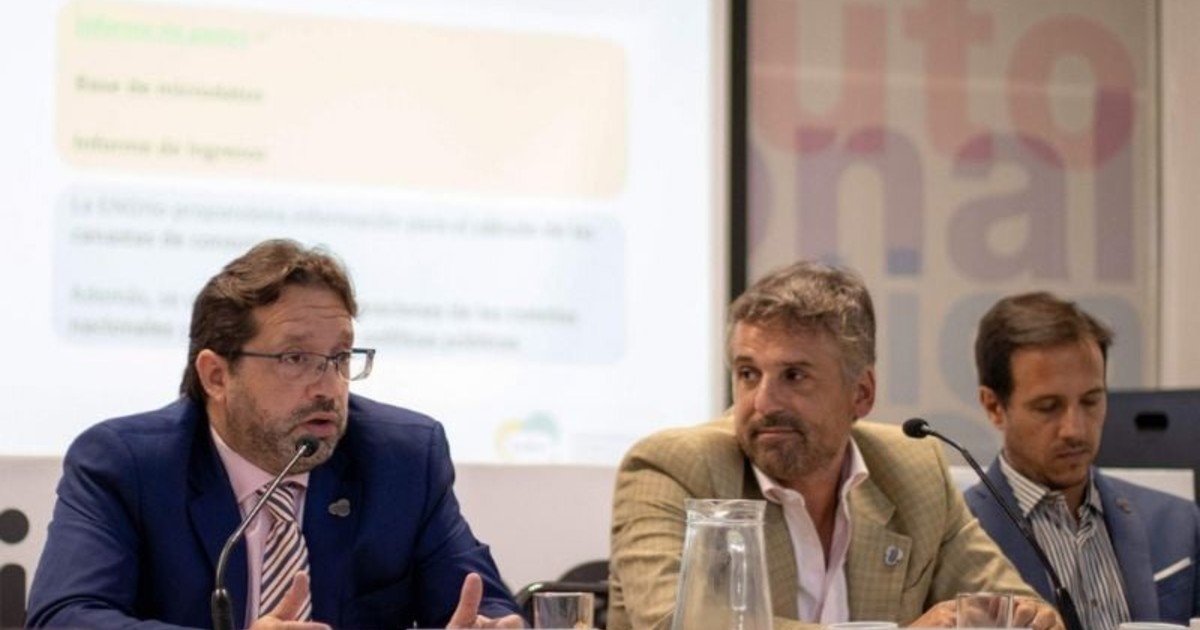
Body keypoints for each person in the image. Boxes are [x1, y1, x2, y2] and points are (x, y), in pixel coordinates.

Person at [27, 239, 524, 630]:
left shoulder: (403, 458)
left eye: (340, 357)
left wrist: (492, 624)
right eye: (294, 358)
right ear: (216, 376)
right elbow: (65, 617)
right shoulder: (125, 466)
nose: (328, 386)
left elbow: (481, 602)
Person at [607, 261, 1062, 630]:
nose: (763, 402)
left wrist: (1029, 619)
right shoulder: (673, 469)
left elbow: (1012, 606)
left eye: (794, 376)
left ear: (861, 393)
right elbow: (678, 625)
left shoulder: (913, 471)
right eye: (748, 374)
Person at [967, 291, 1200, 629]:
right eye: (1048, 407)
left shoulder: (1178, 523)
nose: (1074, 430)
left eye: (1091, 401)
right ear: (993, 406)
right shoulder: (958, 537)